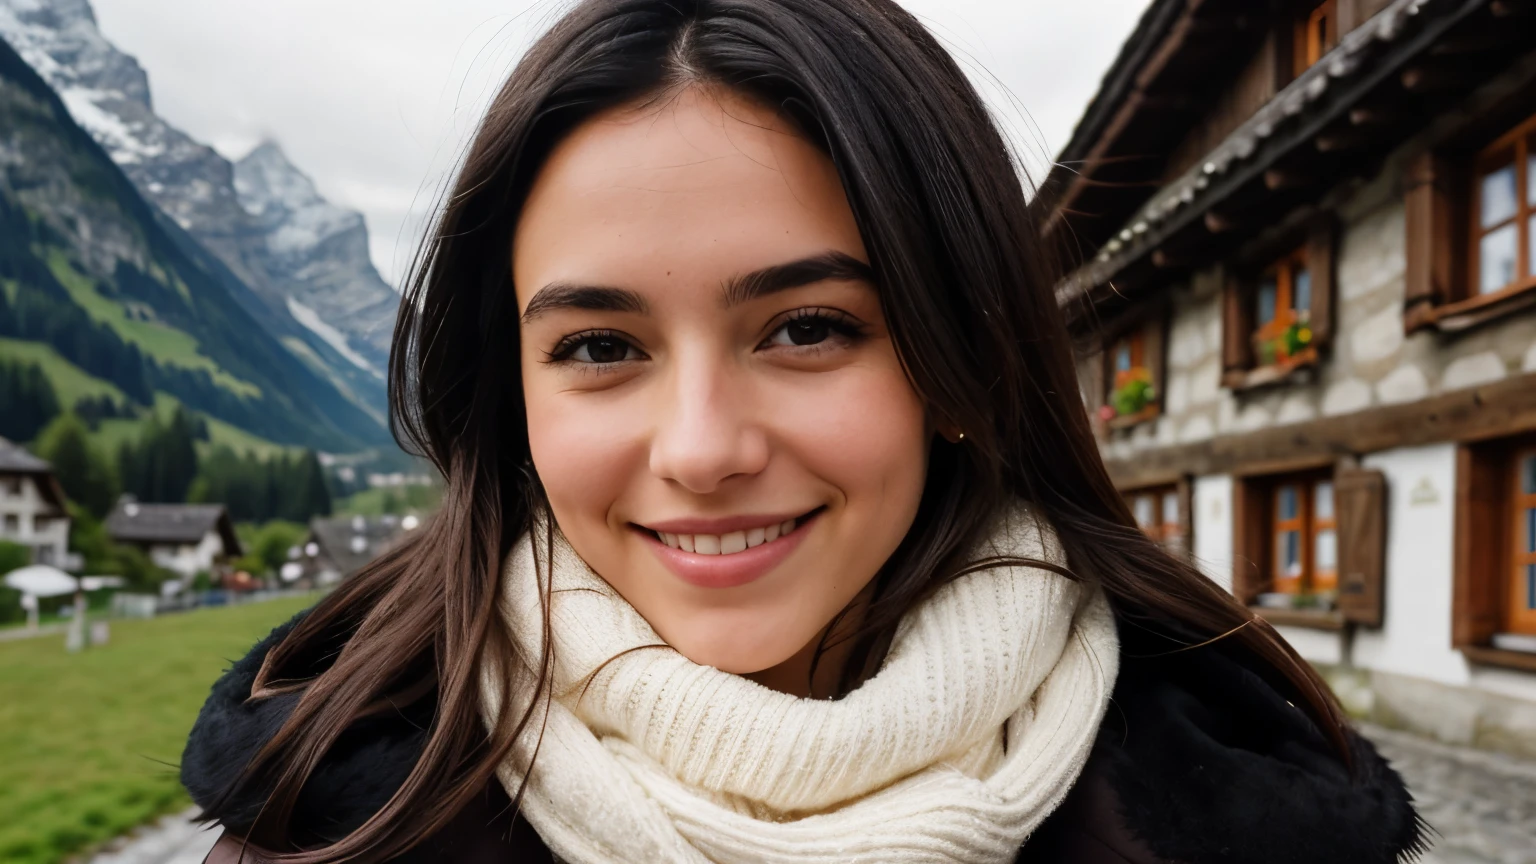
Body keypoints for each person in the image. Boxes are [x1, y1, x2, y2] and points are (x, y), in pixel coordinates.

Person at [182, 1, 1427, 861]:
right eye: (600, 348)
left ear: (961, 358)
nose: (702, 449)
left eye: (808, 327)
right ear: (510, 399)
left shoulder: (1251, 811)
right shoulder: (333, 822)